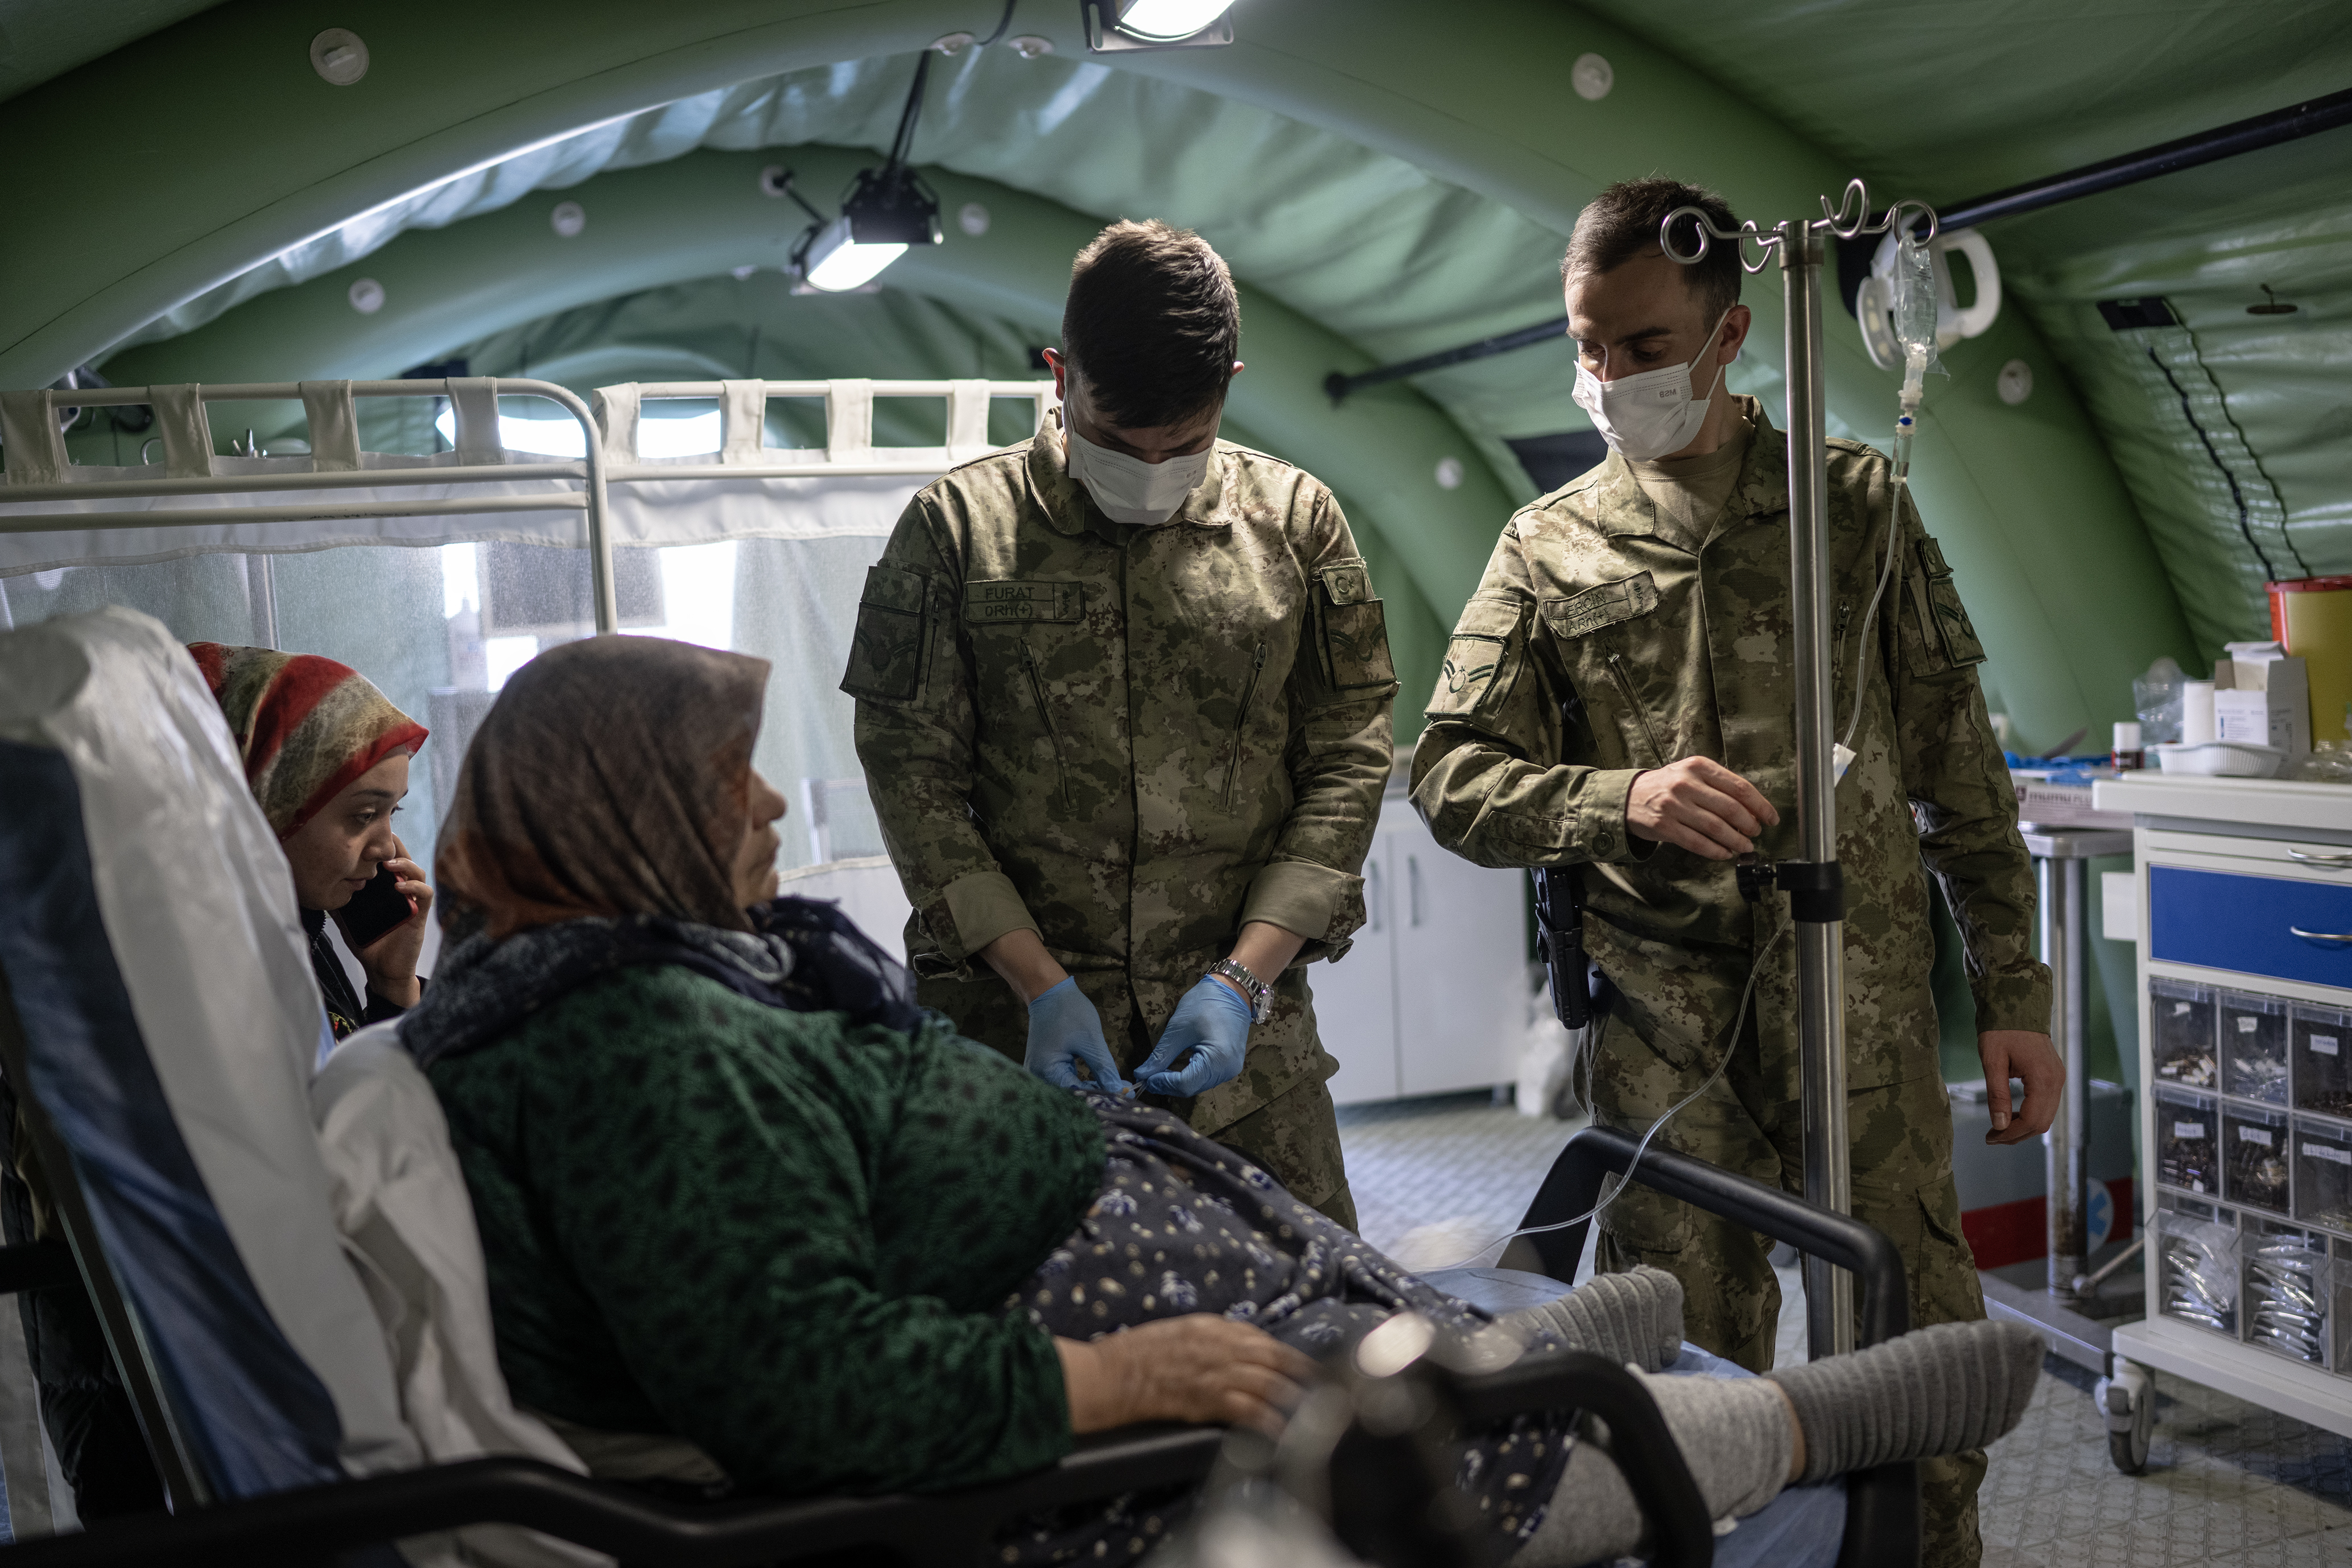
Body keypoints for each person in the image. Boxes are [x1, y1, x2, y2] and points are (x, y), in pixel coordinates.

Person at [402, 634, 2042, 1568]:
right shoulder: (629, 1048)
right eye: (721, 781)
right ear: (611, 814)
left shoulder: (638, 978)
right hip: (1069, 1374)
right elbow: (792, 1372)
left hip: (1122, 1171)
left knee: (1364, 1301)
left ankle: (1522, 1341)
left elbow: (1354, 759)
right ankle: (1803, 1420)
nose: (767, 802)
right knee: (1434, 1437)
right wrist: (1115, 1372)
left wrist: (1243, 973)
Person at [1411, 177, 2060, 1568]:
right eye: (1587, 347)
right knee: (1685, 1395)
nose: (1609, 377)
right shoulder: (1546, 544)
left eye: (1643, 346)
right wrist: (1617, 799)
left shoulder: (1854, 506)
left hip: (1859, 1008)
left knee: (1907, 1364)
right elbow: (1449, 777)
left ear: (1728, 333)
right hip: (1665, 1029)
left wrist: (2015, 990)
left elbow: (1959, 771)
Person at [842, 220, 1394, 1227]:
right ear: (1060, 377)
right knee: (1019, 1309)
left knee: (1307, 1310)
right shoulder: (955, 533)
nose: (1150, 466)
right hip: (1013, 1048)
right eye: (1115, 440)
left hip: (1248, 1066)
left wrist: (1241, 980)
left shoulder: (1298, 525)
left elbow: (1349, 757)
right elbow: (910, 773)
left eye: (1182, 445)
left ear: (1227, 386)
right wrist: (1038, 985)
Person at [189, 642, 435, 1041]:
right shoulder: (226, 978)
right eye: (364, 815)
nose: (388, 849)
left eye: (394, 812)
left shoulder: (299, 935)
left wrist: (393, 986)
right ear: (269, 805)